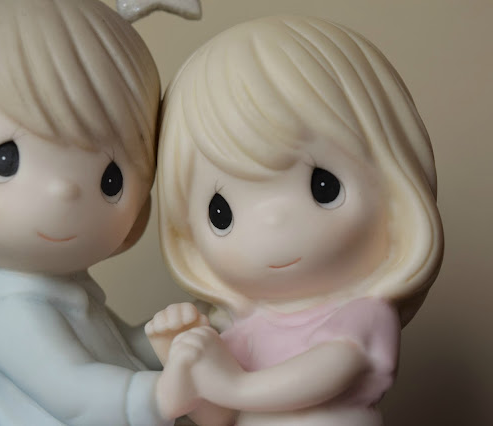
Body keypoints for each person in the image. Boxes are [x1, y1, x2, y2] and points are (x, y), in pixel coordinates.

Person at [0, 0, 196, 424]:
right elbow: (74, 391)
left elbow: (118, 351)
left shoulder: (64, 296)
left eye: (110, 179)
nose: (64, 190)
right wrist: (162, 394)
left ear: (138, 215)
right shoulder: (14, 315)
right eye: (5, 160)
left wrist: (166, 340)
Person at [149, 15, 444, 426]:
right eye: (221, 213)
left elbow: (327, 371)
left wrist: (232, 385)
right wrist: (181, 357)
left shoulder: (360, 313)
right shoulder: (248, 328)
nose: (272, 223)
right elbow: (215, 416)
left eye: (324, 187)